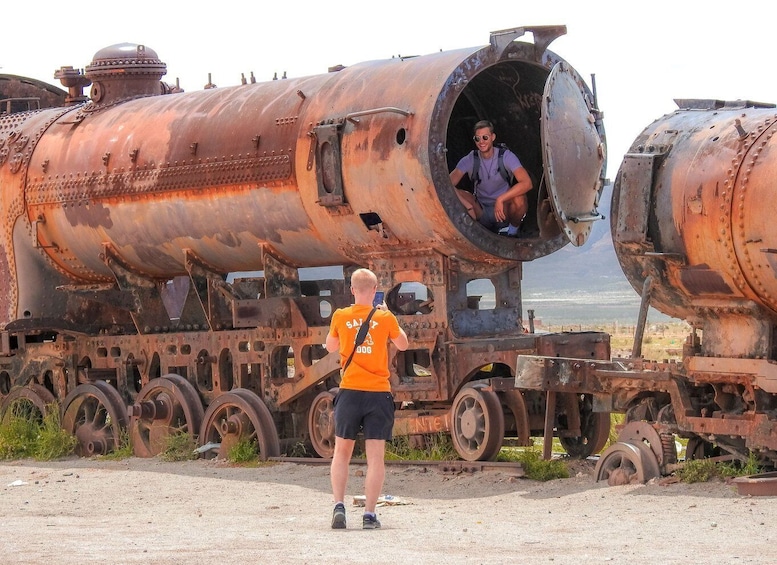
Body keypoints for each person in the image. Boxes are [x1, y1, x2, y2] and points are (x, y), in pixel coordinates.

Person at [325, 268, 409, 530]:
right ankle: (370, 515)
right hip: (377, 393)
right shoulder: (384, 318)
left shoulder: (341, 315)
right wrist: (387, 315)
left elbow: (330, 347)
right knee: (375, 457)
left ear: (352, 290)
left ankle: (339, 506)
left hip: (349, 391)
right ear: (374, 291)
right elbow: (404, 344)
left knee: (341, 452)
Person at [449, 120, 533, 236]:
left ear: (493, 137)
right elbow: (445, 184)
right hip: (480, 210)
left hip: (503, 210)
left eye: (485, 137)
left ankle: (512, 232)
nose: (481, 142)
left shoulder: (506, 157)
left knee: (520, 198)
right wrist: (467, 205)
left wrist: (501, 199)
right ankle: (470, 230)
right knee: (460, 194)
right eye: (477, 139)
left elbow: (527, 183)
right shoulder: (470, 159)